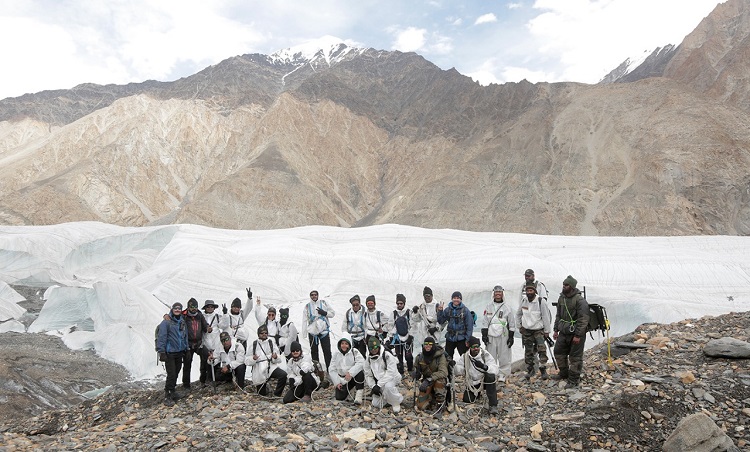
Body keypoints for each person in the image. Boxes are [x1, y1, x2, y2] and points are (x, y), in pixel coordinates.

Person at [552, 275, 589, 386]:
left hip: (576, 333)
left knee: (575, 357)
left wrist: (578, 335)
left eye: (567, 285)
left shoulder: (580, 301)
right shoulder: (561, 298)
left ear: (572, 286)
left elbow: (584, 319)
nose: (564, 286)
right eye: (564, 284)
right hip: (564, 331)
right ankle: (564, 373)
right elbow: (558, 315)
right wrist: (555, 330)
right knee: (558, 352)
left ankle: (573, 380)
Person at [516, 283, 553, 381]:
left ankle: (543, 369)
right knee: (528, 351)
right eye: (527, 291)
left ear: (535, 291)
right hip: (527, 330)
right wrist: (519, 326)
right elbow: (518, 314)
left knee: (541, 349)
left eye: (531, 290)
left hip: (538, 330)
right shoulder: (524, 301)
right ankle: (530, 370)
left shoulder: (541, 301)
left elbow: (546, 317)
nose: (529, 292)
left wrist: (547, 331)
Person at [454, 336, 499, 415]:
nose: (476, 349)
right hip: (472, 382)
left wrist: (484, 367)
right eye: (473, 347)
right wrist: (454, 366)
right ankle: (477, 394)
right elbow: (458, 371)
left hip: (484, 381)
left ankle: (493, 405)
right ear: (470, 347)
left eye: (477, 346)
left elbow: (495, 369)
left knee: (491, 377)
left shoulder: (485, 355)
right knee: (467, 399)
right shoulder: (465, 357)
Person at [156, 302, 189, 406]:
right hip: (169, 352)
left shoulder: (182, 322)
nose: (177, 310)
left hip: (179, 352)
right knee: (172, 374)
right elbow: (162, 337)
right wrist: (161, 351)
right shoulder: (166, 322)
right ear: (172, 309)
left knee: (177, 371)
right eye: (176, 308)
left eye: (179, 309)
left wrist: (186, 348)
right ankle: (168, 395)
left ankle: (173, 391)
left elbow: (184, 336)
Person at [480, 286, 515, 382]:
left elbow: (511, 323)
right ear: (493, 294)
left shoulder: (507, 307)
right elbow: (485, 321)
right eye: (496, 292)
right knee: (491, 355)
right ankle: (491, 372)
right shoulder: (489, 306)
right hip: (491, 334)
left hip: (503, 334)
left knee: (504, 354)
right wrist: (484, 335)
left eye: (500, 292)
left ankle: (502, 374)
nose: (498, 294)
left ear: (503, 294)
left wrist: (511, 337)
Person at [363, 336, 403, 413]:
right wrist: (373, 386)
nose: (374, 349)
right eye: (371, 348)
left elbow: (391, 372)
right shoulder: (368, 359)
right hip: (379, 380)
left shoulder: (387, 355)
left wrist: (379, 385)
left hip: (392, 378)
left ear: (378, 346)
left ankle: (396, 402)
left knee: (388, 387)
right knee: (376, 403)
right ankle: (388, 400)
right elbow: (368, 375)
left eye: (375, 347)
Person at [246, 325, 287, 397]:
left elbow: (278, 358)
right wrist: (253, 359)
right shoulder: (254, 345)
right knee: (261, 394)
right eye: (262, 333)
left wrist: (275, 357)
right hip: (259, 369)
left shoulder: (271, 343)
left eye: (265, 333)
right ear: (258, 334)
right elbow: (246, 361)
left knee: (283, 375)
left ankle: (277, 394)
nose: (264, 334)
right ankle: (266, 390)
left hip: (270, 367)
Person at [412, 336, 449, 416]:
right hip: (427, 382)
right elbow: (416, 370)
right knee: (421, 406)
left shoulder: (440, 356)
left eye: (430, 344)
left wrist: (429, 379)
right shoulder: (419, 357)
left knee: (440, 381)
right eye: (426, 344)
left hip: (437, 380)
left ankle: (440, 404)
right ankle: (431, 398)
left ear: (433, 345)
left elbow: (443, 372)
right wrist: (415, 374)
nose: (428, 346)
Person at [181, 298, 211, 390]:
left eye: (195, 307)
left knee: (206, 357)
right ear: (188, 307)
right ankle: (186, 384)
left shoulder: (199, 315)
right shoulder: (184, 316)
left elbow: (204, 325)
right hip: (188, 344)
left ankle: (203, 380)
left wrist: (207, 328)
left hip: (198, 343)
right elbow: (174, 317)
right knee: (187, 363)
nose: (194, 309)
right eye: (192, 307)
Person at [302, 290, 335, 373]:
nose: (314, 296)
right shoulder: (307, 306)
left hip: (324, 331)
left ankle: (330, 370)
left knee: (327, 351)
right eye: (312, 295)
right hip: (313, 332)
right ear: (310, 296)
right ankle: (317, 372)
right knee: (314, 353)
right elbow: (304, 320)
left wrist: (324, 313)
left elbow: (332, 313)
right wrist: (304, 333)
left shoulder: (324, 303)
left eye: (315, 295)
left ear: (318, 295)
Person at [437, 291, 473, 360]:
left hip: (461, 338)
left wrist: (468, 339)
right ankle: (449, 370)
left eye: (458, 298)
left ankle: (465, 370)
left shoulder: (465, 311)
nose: (456, 299)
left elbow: (469, 326)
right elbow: (441, 321)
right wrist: (440, 311)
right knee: (447, 358)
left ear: (460, 299)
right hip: (450, 337)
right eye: (454, 298)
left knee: (465, 358)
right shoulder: (448, 310)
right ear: (452, 299)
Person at [329, 337, 366, 404]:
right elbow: (332, 369)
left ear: (349, 344)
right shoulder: (336, 354)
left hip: (352, 377)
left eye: (346, 344)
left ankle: (358, 396)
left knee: (360, 374)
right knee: (339, 397)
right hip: (342, 379)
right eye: (342, 343)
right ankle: (350, 390)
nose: (344, 345)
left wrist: (350, 373)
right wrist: (337, 382)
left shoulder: (354, 352)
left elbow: (361, 363)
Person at [388, 293, 414, 375]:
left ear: (404, 303)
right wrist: (391, 336)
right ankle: (401, 372)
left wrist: (411, 336)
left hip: (407, 337)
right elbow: (390, 325)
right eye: (398, 303)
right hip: (397, 338)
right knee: (399, 356)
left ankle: (410, 370)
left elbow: (413, 325)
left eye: (401, 303)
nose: (399, 305)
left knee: (408, 356)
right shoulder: (394, 313)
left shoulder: (409, 312)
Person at [201, 299, 222, 387]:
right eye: (208, 307)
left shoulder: (218, 317)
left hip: (216, 343)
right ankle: (203, 380)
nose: (210, 308)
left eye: (211, 307)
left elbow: (224, 325)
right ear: (205, 308)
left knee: (216, 363)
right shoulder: (201, 317)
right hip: (205, 344)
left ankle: (215, 379)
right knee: (204, 364)